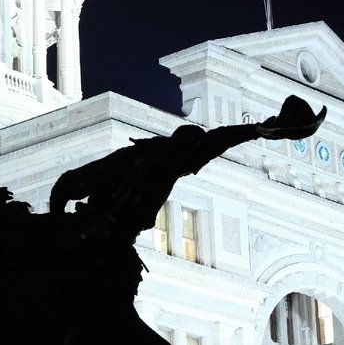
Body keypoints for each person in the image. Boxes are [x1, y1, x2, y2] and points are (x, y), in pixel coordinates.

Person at [49, 95, 325, 246]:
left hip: (118, 244)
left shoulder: (169, 163)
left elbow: (214, 142)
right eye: (192, 149)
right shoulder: (140, 159)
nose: (193, 164)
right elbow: (66, 185)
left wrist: (255, 130)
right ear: (177, 145)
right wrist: (58, 225)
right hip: (91, 238)